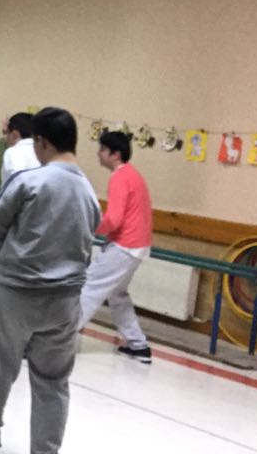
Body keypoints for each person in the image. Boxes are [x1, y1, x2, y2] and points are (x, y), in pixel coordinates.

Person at [0, 107, 101, 454]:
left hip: (16, 292)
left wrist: (3, 267)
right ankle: (45, 449)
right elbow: (87, 244)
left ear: (41, 141)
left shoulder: (29, 182)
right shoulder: (88, 192)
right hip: (64, 300)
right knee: (53, 380)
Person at [77, 131, 154, 363]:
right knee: (118, 295)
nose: (98, 154)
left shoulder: (120, 177)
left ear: (115, 154)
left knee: (88, 288)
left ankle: (55, 340)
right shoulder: (134, 175)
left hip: (124, 246)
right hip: (137, 246)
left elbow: (114, 219)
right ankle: (138, 345)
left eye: (102, 149)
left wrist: (91, 228)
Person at [1, 111, 40, 185]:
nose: (7, 139)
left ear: (14, 134)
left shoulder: (13, 152)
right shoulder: (42, 151)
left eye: (8, 134)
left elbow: (19, 180)